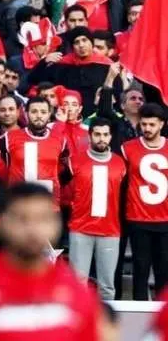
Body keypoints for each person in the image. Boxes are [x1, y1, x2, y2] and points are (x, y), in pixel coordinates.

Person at [0, 183, 99, 339]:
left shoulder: (77, 297)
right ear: (3, 223)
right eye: (22, 219)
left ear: (57, 225)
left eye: (43, 219)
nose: (32, 229)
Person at [67, 117, 126, 300]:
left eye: (105, 135)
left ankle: (105, 319)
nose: (102, 138)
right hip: (80, 229)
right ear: (90, 135)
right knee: (77, 284)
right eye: (97, 134)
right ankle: (77, 317)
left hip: (109, 231)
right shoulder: (74, 161)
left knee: (107, 286)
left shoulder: (120, 163)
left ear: (111, 136)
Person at [121, 103, 168, 301]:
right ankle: (139, 314)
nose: (147, 128)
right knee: (140, 270)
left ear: (162, 124)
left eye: (152, 124)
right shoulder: (128, 148)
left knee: (164, 272)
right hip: (138, 219)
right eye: (144, 124)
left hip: (165, 220)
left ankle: (163, 316)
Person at [29, 26, 117, 116]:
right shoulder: (61, 65)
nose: (81, 45)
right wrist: (43, 62)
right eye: (76, 42)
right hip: (66, 116)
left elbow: (117, 93)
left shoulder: (106, 65)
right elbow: (33, 80)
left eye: (84, 40)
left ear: (91, 43)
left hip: (97, 116)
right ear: (72, 47)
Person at [0, 96, 69, 206]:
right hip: (18, 203)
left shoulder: (61, 140)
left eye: (43, 112)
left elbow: (67, 170)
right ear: (26, 113)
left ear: (49, 114)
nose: (39, 115)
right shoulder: (8, 138)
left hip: (49, 205)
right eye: (34, 111)